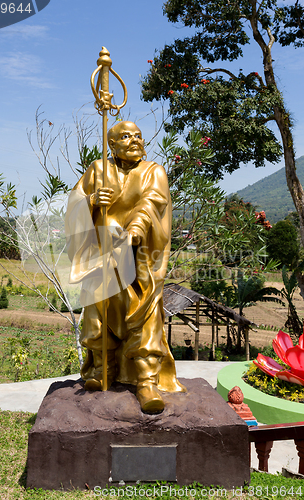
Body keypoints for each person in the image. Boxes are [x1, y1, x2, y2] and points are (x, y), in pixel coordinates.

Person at [65, 121, 185, 413]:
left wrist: (135, 230)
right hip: (102, 252)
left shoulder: (153, 171)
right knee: (99, 310)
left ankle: (146, 381)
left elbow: (153, 202)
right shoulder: (97, 170)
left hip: (139, 253)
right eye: (126, 136)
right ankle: (102, 369)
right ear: (112, 144)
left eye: (138, 136)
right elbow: (73, 204)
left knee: (142, 313)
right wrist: (91, 201)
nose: (134, 141)